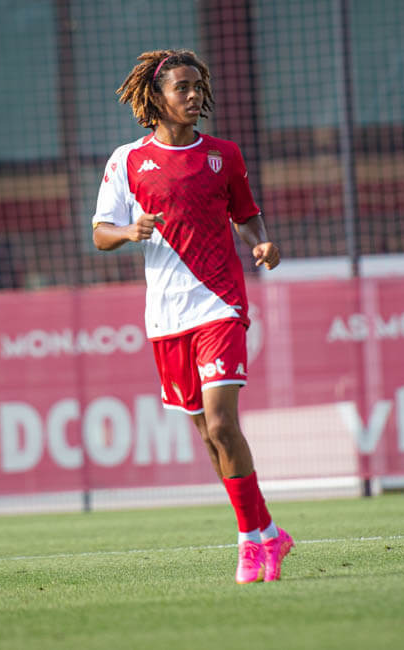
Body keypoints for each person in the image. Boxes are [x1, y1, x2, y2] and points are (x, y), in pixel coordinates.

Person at [91, 49, 290, 583]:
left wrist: (261, 242)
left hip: (220, 302)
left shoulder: (223, 154)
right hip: (166, 314)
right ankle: (267, 531)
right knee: (207, 435)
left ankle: (249, 543)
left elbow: (246, 215)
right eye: (182, 87)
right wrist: (128, 232)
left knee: (223, 423)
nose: (194, 94)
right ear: (156, 98)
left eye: (198, 85)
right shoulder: (127, 161)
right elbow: (100, 233)